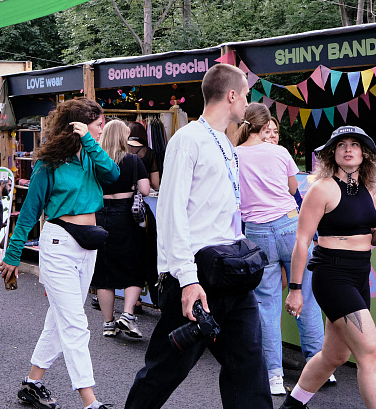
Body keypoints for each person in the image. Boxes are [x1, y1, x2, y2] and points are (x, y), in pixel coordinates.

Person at [125, 63, 271, 409]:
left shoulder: (224, 141)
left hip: (231, 271)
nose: (248, 101)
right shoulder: (186, 141)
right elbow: (172, 215)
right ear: (232, 95)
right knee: (165, 369)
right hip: (196, 276)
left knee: (248, 367)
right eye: (246, 93)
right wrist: (188, 281)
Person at [0, 98, 119, 409]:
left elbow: (114, 175)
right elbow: (29, 211)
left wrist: (90, 142)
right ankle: (90, 402)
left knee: (60, 318)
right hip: (58, 245)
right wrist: (13, 254)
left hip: (88, 245)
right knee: (75, 323)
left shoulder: (93, 155)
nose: (101, 126)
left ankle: (32, 383)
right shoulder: (49, 162)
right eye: (96, 121)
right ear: (77, 125)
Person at [281, 126, 376, 409]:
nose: (348, 149)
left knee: (334, 356)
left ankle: (292, 405)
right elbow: (302, 241)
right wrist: (295, 289)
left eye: (355, 145)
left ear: (365, 155)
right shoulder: (322, 188)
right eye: (341, 145)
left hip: (360, 275)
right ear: (333, 154)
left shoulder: (367, 191)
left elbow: (371, 235)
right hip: (332, 276)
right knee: (371, 354)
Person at [234, 103, 327, 396]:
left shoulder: (234, 156)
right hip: (290, 226)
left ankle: (274, 374)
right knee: (307, 295)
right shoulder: (280, 152)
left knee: (266, 304)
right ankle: (318, 366)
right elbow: (291, 190)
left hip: (257, 233)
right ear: (264, 128)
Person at [93, 119, 150, 340]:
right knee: (133, 265)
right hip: (126, 216)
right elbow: (145, 190)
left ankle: (108, 323)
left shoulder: (96, 161)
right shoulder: (133, 160)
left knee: (104, 270)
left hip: (100, 215)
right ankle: (127, 314)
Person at [128, 121, 160, 190]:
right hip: (142, 193)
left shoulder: (119, 148)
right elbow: (155, 183)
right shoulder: (149, 152)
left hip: (122, 194)